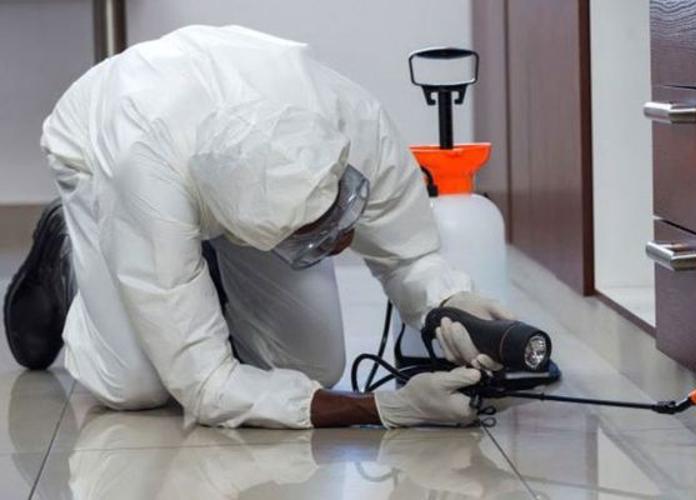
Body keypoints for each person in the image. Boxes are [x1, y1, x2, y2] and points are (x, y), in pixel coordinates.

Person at [3, 26, 513, 429]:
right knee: (134, 386)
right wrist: (385, 408)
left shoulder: (351, 120)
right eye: (317, 239)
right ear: (253, 235)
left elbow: (409, 254)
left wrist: (449, 302)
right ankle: (71, 255)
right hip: (99, 145)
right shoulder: (144, 179)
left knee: (312, 369)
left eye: (343, 210)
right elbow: (205, 387)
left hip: (211, 130)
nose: (344, 242)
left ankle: (196, 287)